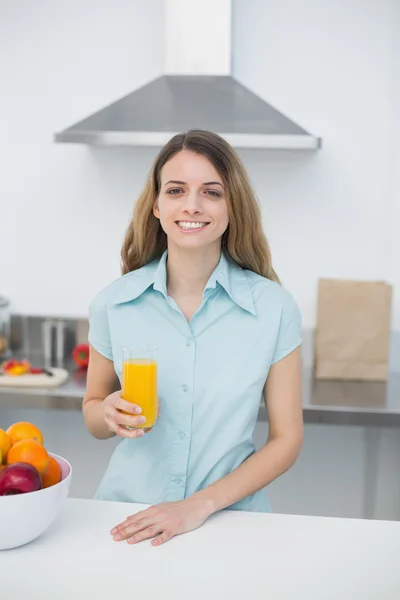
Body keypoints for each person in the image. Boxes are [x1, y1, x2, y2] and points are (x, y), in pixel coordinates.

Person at [82, 129, 303, 547]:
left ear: (233, 206)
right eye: (176, 190)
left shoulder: (273, 308)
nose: (192, 205)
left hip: (228, 523)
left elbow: (287, 439)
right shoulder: (113, 303)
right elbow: (93, 414)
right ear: (156, 205)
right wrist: (108, 413)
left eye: (212, 192)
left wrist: (198, 505)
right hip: (128, 519)